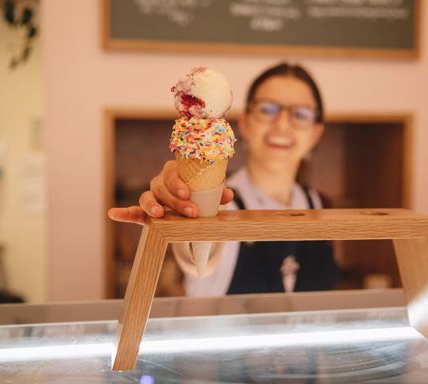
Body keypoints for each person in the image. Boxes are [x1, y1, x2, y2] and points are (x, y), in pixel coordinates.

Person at [108, 62, 339, 296]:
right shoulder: (224, 205)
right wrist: (187, 213)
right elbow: (200, 263)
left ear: (316, 132)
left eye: (300, 114)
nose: (281, 124)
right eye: (267, 109)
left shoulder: (320, 205)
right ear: (245, 122)